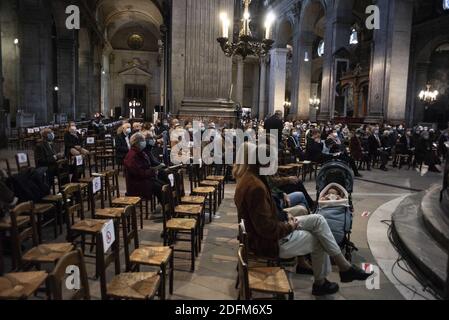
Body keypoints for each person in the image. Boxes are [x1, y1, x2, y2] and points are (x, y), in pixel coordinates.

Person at [233, 142, 372, 296]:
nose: (275, 167)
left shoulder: (251, 177)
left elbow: (267, 214)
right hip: (269, 243)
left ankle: (343, 268)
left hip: (264, 234)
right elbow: (267, 229)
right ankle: (323, 281)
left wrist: (286, 216)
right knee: (320, 239)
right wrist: (290, 226)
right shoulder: (256, 187)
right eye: (273, 162)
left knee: (318, 220)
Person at [123, 132, 164, 202]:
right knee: (159, 188)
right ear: (137, 143)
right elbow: (139, 173)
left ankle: (167, 206)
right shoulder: (132, 156)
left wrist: (153, 170)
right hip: (137, 184)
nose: (144, 142)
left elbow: (146, 166)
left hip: (143, 180)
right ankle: (166, 208)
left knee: (163, 185)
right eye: (143, 140)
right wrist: (152, 172)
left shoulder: (140, 152)